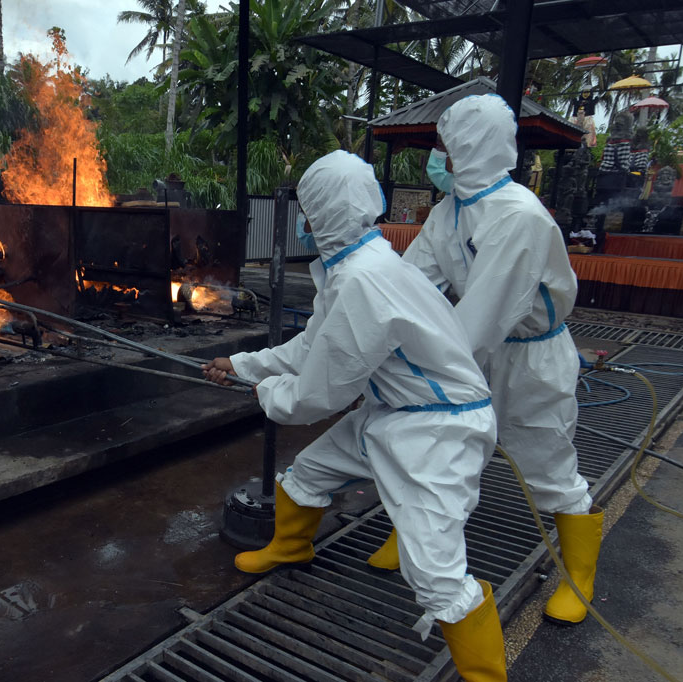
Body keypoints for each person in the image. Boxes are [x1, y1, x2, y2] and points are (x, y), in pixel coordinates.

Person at [202, 150, 507, 680]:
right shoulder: (354, 268)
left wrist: (269, 396)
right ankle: (290, 547)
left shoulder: (364, 282)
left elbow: (321, 391)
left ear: (321, 217)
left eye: (306, 212)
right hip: (397, 412)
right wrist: (242, 365)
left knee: (436, 577)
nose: (301, 223)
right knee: (310, 472)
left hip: (438, 431)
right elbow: (311, 346)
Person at [378, 94, 601, 628]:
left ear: (469, 147)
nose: (437, 156)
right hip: (476, 347)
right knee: (435, 448)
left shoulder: (517, 215)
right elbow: (410, 283)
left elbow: (482, 317)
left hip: (528, 358)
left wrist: (408, 368)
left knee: (546, 465)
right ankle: (411, 535)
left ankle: (580, 578)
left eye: (443, 145)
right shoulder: (450, 211)